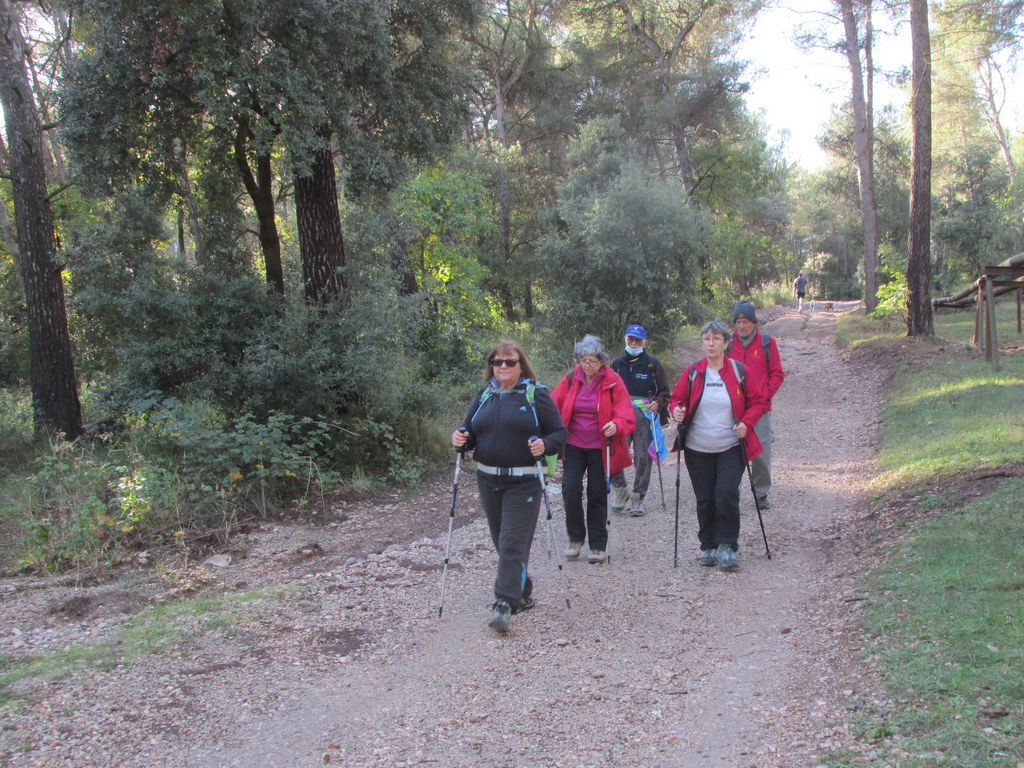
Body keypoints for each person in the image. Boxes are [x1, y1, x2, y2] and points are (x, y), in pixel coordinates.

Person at [452, 341, 567, 634]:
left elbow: (559, 432)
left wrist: (546, 444)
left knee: (511, 543)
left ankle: (504, 603)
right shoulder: (485, 395)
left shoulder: (536, 394)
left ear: (521, 365)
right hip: (488, 478)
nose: (503, 366)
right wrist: (461, 438)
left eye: (510, 362)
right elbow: (470, 432)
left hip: (525, 480)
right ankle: (523, 590)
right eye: (497, 361)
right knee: (501, 542)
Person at [670, 320, 766, 570]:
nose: (710, 343)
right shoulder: (693, 371)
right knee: (705, 498)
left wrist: (747, 422)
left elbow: (758, 402)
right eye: (706, 339)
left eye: (715, 339)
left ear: (726, 343)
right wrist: (677, 411)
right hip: (696, 447)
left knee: (726, 494)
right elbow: (677, 399)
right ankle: (708, 546)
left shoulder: (738, 371)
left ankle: (727, 546)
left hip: (731, 446)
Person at [551, 335, 636, 565]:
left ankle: (598, 545)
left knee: (597, 493)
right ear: (578, 360)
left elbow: (626, 415)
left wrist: (616, 424)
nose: (588, 365)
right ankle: (575, 538)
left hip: (601, 446)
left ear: (602, 361)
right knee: (570, 489)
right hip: (574, 444)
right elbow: (552, 404)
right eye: (584, 360)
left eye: (593, 361)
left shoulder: (613, 381)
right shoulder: (571, 379)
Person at [727, 301, 784, 510]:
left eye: (745, 322)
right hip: (733, 409)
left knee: (760, 454)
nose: (741, 326)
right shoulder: (728, 343)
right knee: (732, 452)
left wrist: (764, 397)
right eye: (738, 322)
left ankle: (761, 493)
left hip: (760, 410)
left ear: (754, 323)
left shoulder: (767, 343)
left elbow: (777, 374)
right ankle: (732, 493)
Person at [608, 324, 670, 517]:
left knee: (643, 457)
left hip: (644, 416)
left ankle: (638, 497)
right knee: (615, 453)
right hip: (620, 416)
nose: (633, 343)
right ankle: (620, 490)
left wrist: (658, 403)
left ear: (644, 342)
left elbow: (665, 391)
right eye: (630, 339)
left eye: (637, 340)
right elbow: (606, 391)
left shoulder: (652, 364)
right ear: (625, 340)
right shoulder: (616, 364)